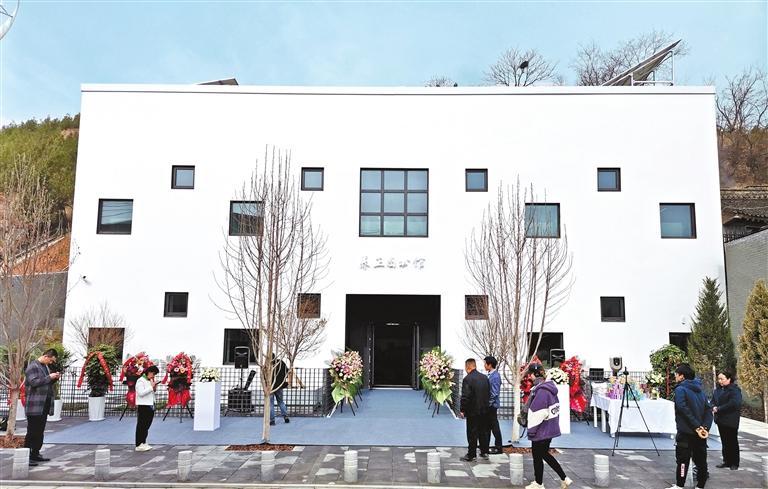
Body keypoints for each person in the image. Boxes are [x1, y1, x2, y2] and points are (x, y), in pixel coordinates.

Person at [525, 364, 572, 489]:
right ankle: (563, 478)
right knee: (544, 454)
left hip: (541, 429)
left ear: (534, 374)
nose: (529, 377)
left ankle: (539, 483)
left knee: (538, 456)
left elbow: (537, 413)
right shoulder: (549, 388)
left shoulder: (541, 391)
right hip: (549, 428)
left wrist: (531, 430)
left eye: (530, 374)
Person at [666, 363, 713, 489]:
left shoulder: (680, 389)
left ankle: (679, 485)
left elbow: (682, 408)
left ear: (682, 376)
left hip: (686, 432)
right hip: (700, 433)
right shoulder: (700, 390)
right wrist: (704, 427)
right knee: (701, 461)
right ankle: (701, 486)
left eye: (676, 374)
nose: (675, 377)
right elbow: (708, 410)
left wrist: (697, 426)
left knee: (683, 461)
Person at [23, 349, 60, 465]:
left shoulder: (45, 367)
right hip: (34, 405)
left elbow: (45, 383)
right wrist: (50, 377)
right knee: (32, 431)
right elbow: (34, 382)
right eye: (51, 360)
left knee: (40, 431)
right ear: (46, 356)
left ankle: (35, 453)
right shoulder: (32, 367)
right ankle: (26, 456)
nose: (51, 363)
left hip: (43, 404)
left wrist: (54, 378)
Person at [459, 358, 490, 462]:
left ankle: (471, 454)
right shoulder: (484, 378)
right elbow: (488, 393)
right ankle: (484, 451)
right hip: (484, 409)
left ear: (467, 367)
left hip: (472, 410)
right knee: (483, 431)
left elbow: (465, 396)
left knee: (472, 433)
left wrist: (462, 409)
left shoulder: (467, 379)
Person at [711, 369, 742, 470]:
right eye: (719, 379)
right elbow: (713, 401)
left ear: (729, 379)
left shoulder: (734, 390)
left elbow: (734, 403)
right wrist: (713, 406)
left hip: (730, 420)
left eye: (722, 379)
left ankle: (734, 463)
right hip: (720, 419)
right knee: (724, 442)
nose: (720, 381)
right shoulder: (717, 390)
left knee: (732, 441)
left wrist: (719, 408)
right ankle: (726, 461)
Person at [135, 365, 160, 451]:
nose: (153, 376)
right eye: (153, 374)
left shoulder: (149, 380)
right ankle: (139, 444)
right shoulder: (140, 380)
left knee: (146, 426)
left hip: (150, 405)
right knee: (141, 426)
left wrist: (154, 386)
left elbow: (151, 391)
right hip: (143, 405)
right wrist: (151, 387)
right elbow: (141, 393)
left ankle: (143, 442)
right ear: (149, 372)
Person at [483, 355, 503, 454]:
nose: (484, 365)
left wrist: (488, 404)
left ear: (490, 365)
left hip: (492, 406)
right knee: (488, 426)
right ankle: (485, 446)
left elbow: (495, 393)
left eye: (485, 364)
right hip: (490, 405)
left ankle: (498, 446)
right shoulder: (490, 374)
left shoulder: (495, 376)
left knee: (494, 426)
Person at [270, 355, 290, 426]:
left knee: (270, 404)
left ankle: (272, 420)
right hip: (279, 386)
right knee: (281, 401)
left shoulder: (268, 365)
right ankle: (285, 416)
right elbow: (287, 371)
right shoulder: (281, 363)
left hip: (270, 387)